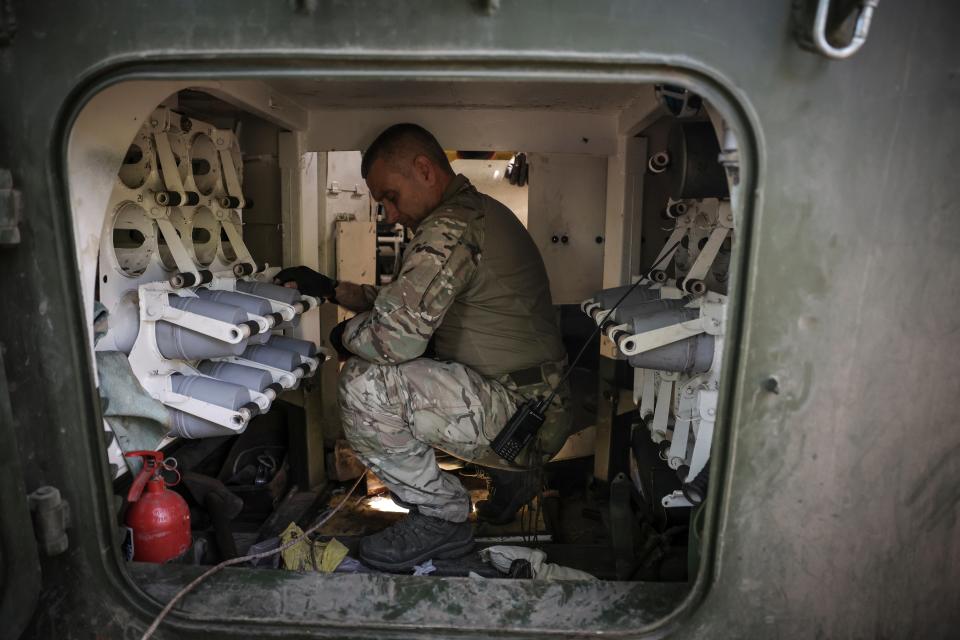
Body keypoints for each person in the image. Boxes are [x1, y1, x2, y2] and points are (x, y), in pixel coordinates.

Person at [276, 124, 571, 571]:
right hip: (532, 403)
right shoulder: (474, 214)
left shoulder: (451, 228)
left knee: (364, 383)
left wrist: (341, 337)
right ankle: (510, 478)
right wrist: (336, 289)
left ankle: (442, 517)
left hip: (522, 417)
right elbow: (414, 307)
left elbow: (393, 339)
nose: (390, 214)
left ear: (424, 170)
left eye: (390, 197)